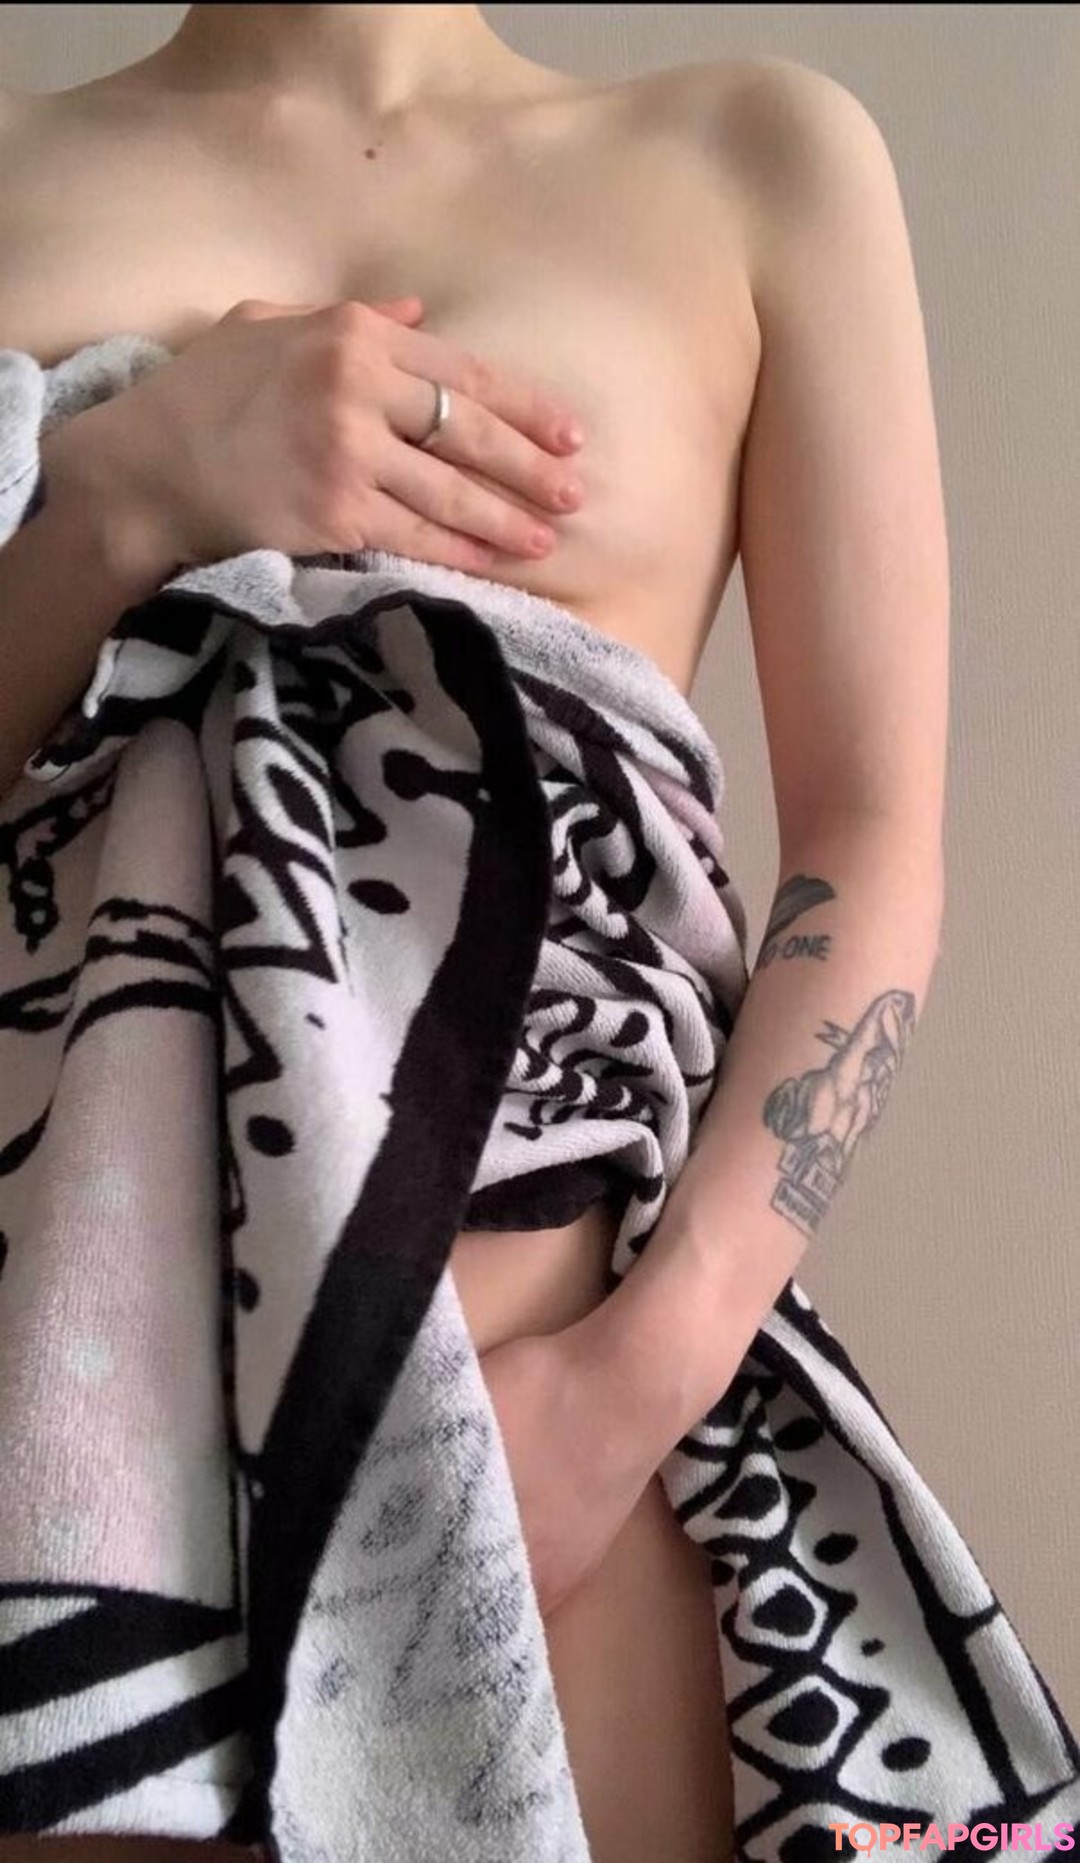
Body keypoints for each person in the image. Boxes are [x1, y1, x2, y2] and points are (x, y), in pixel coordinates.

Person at [0, 6, 953, 1861]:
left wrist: (621, 1396)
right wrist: (132, 491)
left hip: (551, 1465)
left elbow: (875, 838)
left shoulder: (760, 159)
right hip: (61, 1478)